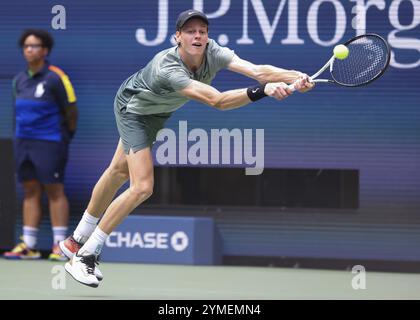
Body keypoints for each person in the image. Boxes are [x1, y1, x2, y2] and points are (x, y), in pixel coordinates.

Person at [59, 9, 314, 287]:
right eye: (190, 31)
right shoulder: (167, 67)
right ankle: (86, 255)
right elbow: (217, 101)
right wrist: (262, 91)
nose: (197, 36)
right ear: (177, 37)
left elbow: (257, 71)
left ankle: (76, 240)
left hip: (157, 112)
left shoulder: (212, 51)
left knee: (118, 171)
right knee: (142, 186)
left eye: (202, 31)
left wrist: (296, 77)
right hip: (133, 110)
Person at [4, 29, 78, 261]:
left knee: (54, 190)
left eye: (34, 46)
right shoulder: (18, 80)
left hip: (50, 141)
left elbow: (71, 111)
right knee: (29, 189)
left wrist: (65, 136)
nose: (29, 50)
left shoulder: (56, 77)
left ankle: (59, 245)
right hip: (23, 142)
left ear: (45, 50)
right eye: (26, 46)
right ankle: (29, 245)